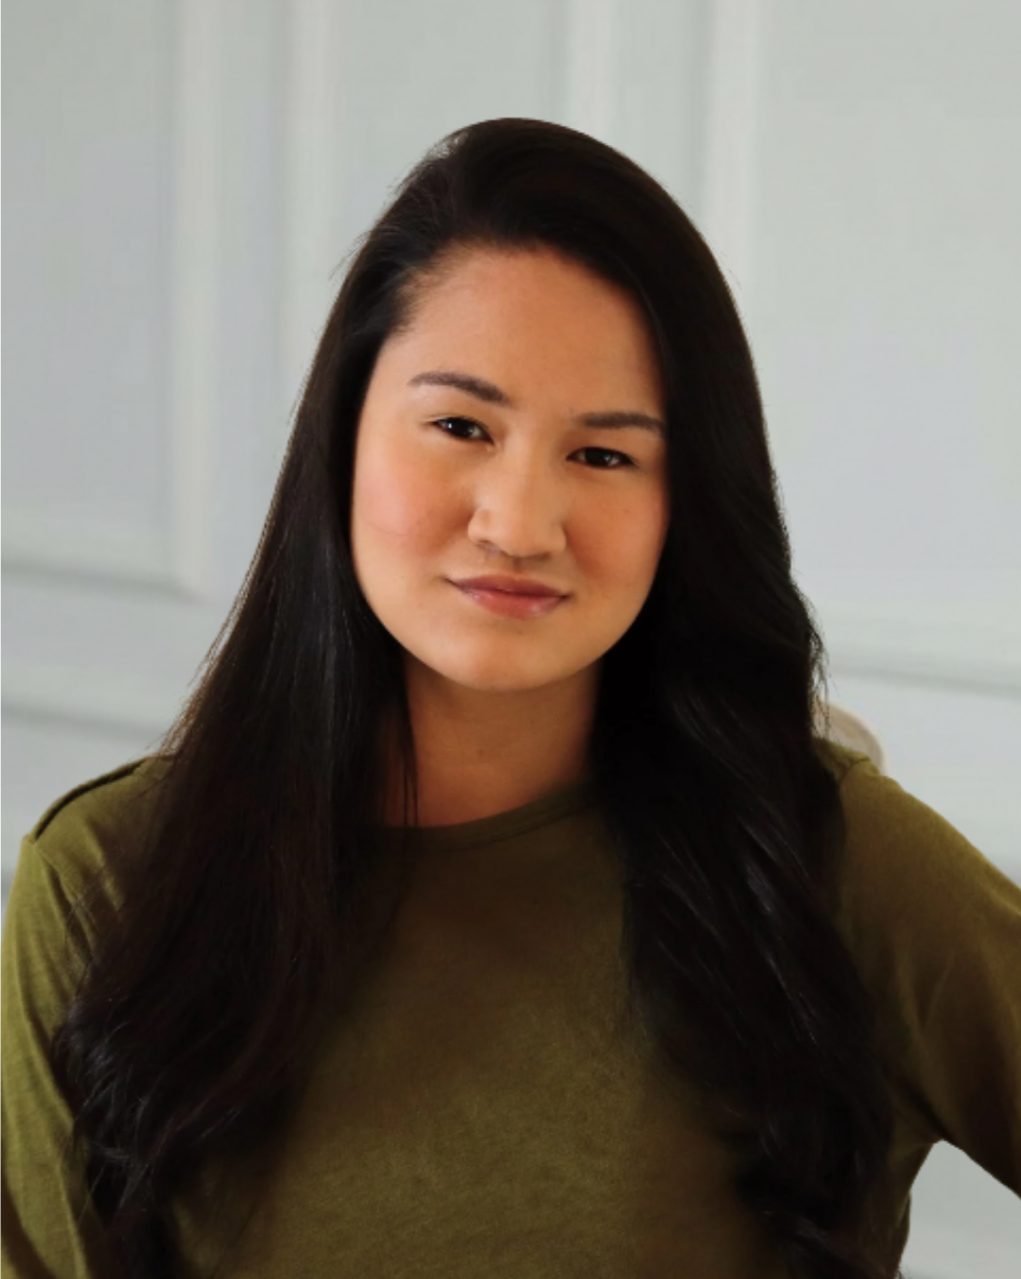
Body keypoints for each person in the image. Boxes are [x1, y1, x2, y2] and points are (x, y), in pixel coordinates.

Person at [1, 117, 1019, 1279]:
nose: (519, 525)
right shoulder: (105, 887)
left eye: (603, 455)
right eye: (459, 426)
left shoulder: (833, 865)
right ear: (339, 441)